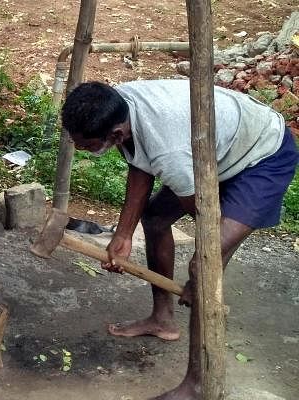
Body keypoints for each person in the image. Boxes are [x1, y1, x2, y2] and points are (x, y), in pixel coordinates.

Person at [61, 79, 298, 399]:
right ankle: (162, 319)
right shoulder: (120, 103)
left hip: (262, 155)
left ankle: (197, 386)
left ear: (116, 134)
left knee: (205, 267)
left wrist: (200, 273)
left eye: (87, 145)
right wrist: (123, 234)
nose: (80, 149)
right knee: (156, 218)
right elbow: (139, 162)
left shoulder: (170, 152)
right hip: (212, 143)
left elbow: (207, 222)